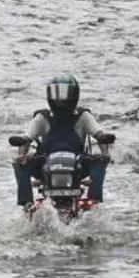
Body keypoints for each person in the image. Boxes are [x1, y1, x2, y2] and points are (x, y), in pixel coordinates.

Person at [13, 75, 115, 206]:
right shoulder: (42, 117)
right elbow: (27, 137)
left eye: (65, 95)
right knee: (20, 166)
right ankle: (26, 203)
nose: (60, 100)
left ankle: (93, 201)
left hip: (78, 162)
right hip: (45, 161)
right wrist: (21, 155)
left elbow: (99, 134)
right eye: (57, 95)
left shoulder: (83, 116)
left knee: (99, 163)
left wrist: (105, 154)